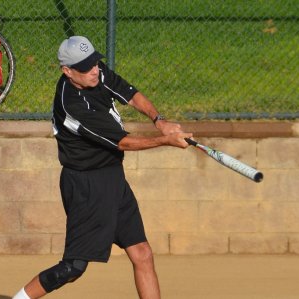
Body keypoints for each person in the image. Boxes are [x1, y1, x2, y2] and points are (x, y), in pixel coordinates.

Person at [12, 36, 192, 299]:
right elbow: (123, 143)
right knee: (72, 268)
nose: (95, 70)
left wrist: (159, 121)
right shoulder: (72, 105)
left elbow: (130, 94)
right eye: (86, 68)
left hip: (112, 177)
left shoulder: (94, 73)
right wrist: (166, 140)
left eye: (95, 63)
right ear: (67, 71)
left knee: (142, 252)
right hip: (86, 185)